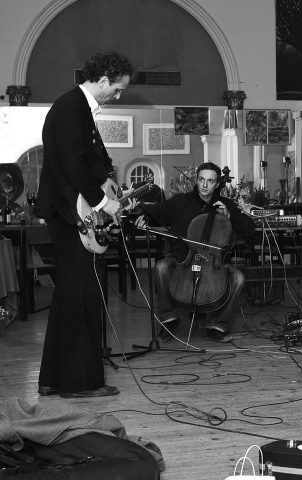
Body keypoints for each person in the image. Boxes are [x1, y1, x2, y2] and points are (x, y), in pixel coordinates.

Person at [35, 51, 134, 398]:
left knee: (68, 294)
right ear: (104, 79)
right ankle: (79, 383)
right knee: (83, 293)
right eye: (118, 89)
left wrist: (115, 192)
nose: (118, 95)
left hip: (68, 210)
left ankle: (52, 378)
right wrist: (105, 202)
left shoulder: (76, 107)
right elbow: (75, 165)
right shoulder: (70, 106)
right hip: (69, 212)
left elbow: (89, 165)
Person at [135, 162, 256, 342]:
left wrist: (229, 217)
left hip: (213, 265)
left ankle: (219, 325)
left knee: (238, 278)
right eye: (202, 180)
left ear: (217, 184)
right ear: (197, 180)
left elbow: (250, 229)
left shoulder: (225, 205)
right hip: (181, 261)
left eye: (210, 181)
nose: (205, 185)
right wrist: (144, 217)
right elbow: (156, 213)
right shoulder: (179, 202)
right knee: (161, 267)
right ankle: (169, 319)